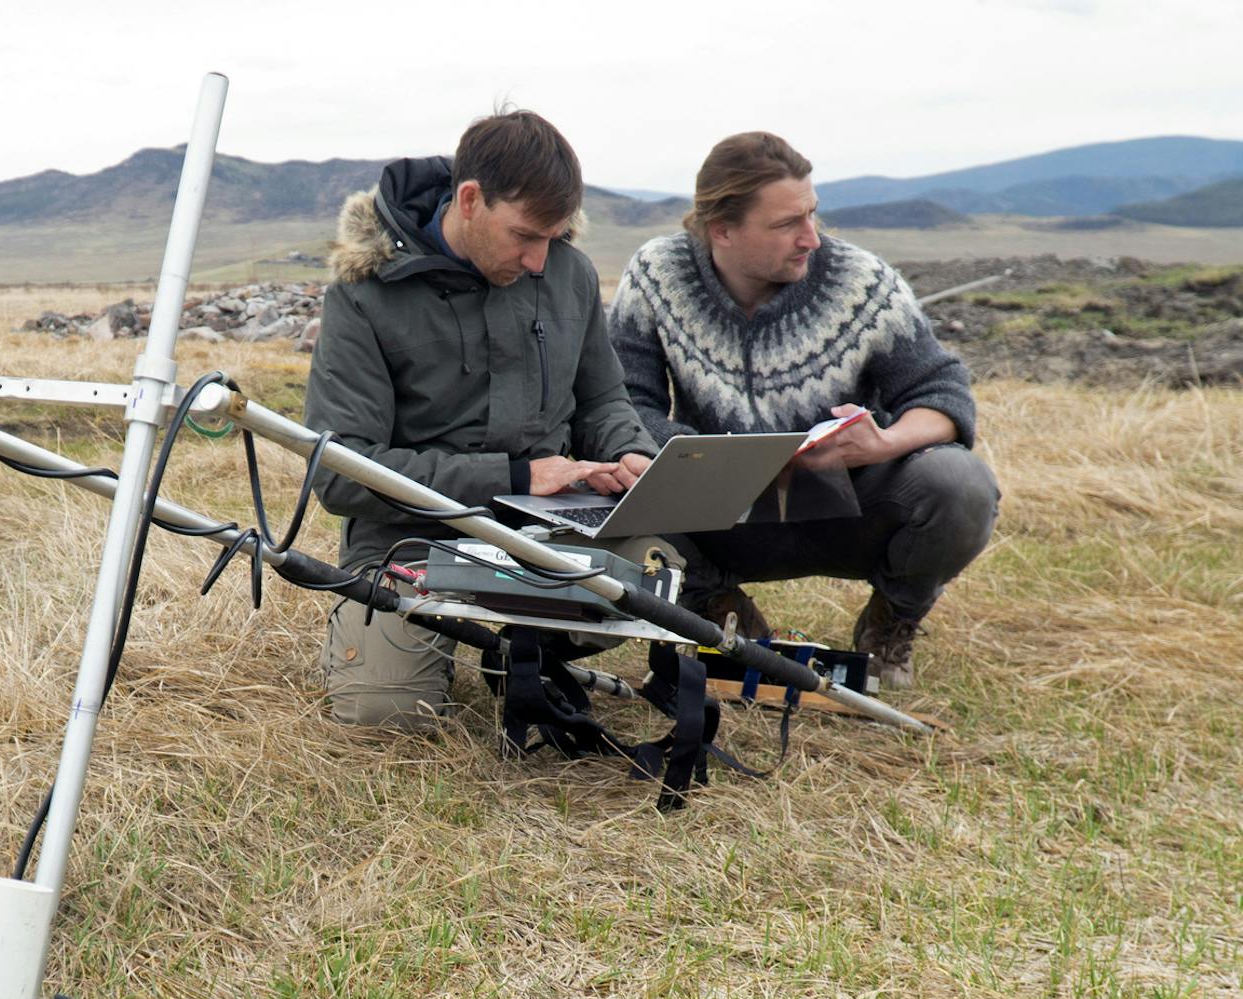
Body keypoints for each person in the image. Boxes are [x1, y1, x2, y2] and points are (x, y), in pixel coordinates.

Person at [304, 109, 658, 731]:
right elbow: (341, 473)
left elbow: (604, 400)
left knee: (655, 561)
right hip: (408, 537)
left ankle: (529, 650)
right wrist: (517, 475)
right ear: (470, 200)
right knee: (384, 713)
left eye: (552, 237)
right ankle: (428, 645)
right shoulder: (364, 293)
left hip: (549, 528)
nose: (540, 260)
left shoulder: (568, 273)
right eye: (524, 236)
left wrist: (630, 452)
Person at [608, 132, 999, 688]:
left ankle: (891, 622)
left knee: (961, 483)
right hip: (720, 514)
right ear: (722, 229)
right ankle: (716, 607)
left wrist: (883, 443)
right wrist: (700, 457)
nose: (810, 238)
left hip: (849, 509)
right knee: (612, 477)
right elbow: (625, 403)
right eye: (787, 223)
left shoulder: (861, 281)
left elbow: (942, 394)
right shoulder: (656, 273)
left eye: (812, 214)